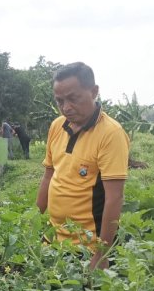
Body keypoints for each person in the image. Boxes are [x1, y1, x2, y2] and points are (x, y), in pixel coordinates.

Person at [36, 62, 129, 270]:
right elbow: (49, 176)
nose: (66, 107)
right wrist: (31, 222)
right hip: (53, 240)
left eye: (73, 98)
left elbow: (115, 197)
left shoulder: (110, 134)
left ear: (94, 91)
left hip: (87, 248)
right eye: (60, 101)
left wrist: (102, 253)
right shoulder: (57, 126)